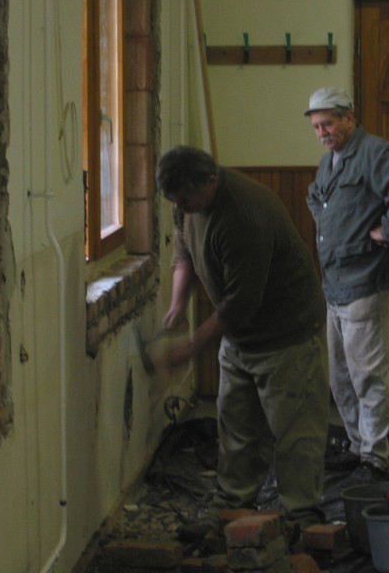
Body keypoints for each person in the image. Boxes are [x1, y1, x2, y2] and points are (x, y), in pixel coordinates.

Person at [154, 145, 330, 538]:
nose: (180, 206)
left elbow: (240, 305)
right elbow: (184, 249)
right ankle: (230, 507)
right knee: (235, 425)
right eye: (174, 200)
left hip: (288, 332)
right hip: (240, 338)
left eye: (185, 198)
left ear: (210, 180)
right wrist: (178, 302)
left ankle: (302, 518)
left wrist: (191, 347)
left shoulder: (244, 216)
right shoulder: (186, 203)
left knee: (295, 432)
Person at [304, 87, 389, 483]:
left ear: (349, 118)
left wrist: (388, 232)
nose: (322, 133)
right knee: (340, 377)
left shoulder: (374, 153)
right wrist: (331, 224)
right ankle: (358, 447)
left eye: (328, 124)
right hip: (335, 285)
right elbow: (314, 197)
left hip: (366, 284)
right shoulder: (329, 163)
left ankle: (375, 457)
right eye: (316, 127)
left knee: (368, 376)